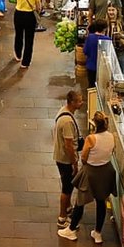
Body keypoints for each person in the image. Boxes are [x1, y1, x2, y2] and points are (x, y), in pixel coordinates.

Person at [59, 111, 118, 244]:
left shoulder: (91, 139)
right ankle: (98, 233)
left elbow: (84, 157)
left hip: (91, 172)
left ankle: (72, 230)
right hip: (106, 170)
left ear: (95, 124)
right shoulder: (112, 136)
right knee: (101, 202)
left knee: (80, 201)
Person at [52, 90, 84, 228]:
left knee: (68, 186)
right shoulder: (67, 122)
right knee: (67, 188)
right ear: (72, 102)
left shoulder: (63, 112)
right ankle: (62, 217)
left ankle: (68, 207)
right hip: (65, 160)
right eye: (79, 101)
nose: (81, 103)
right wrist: (74, 163)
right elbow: (69, 145)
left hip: (60, 157)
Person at [11, 0, 41, 68]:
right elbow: (39, 7)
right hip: (30, 16)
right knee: (29, 39)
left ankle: (18, 55)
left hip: (18, 14)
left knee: (18, 35)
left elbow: (15, 0)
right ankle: (25, 62)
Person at [81, 18, 110, 87]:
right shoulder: (107, 40)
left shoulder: (90, 37)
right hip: (102, 68)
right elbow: (108, 54)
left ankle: (91, 97)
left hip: (91, 67)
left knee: (91, 86)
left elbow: (85, 51)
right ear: (105, 29)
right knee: (101, 88)